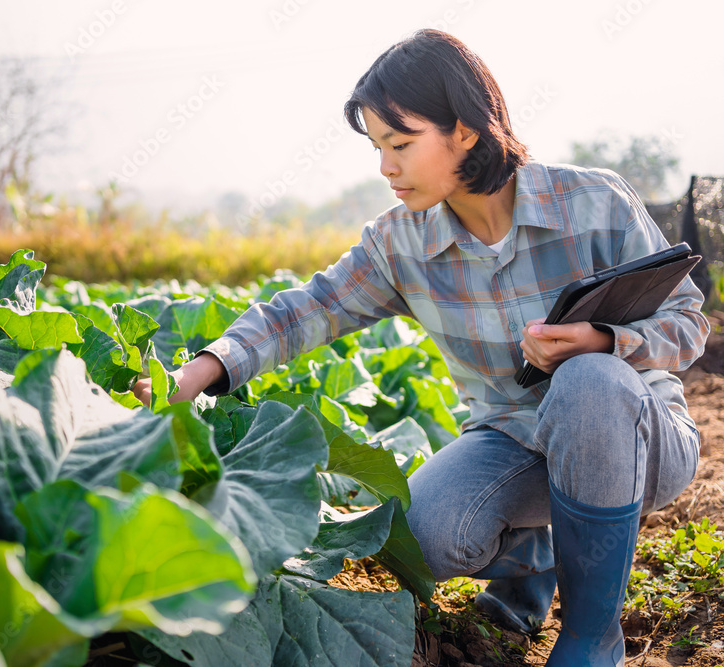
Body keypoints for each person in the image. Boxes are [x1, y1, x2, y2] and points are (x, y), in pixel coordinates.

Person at [131, 29, 708, 666]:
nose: (386, 167)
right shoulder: (399, 244)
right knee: (427, 536)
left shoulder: (594, 203)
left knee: (589, 381)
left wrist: (603, 340)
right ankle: (536, 553)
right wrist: (201, 371)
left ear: (465, 129)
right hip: (517, 443)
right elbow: (308, 309)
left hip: (638, 441)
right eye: (378, 146)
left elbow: (688, 319)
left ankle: (591, 637)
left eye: (400, 144)